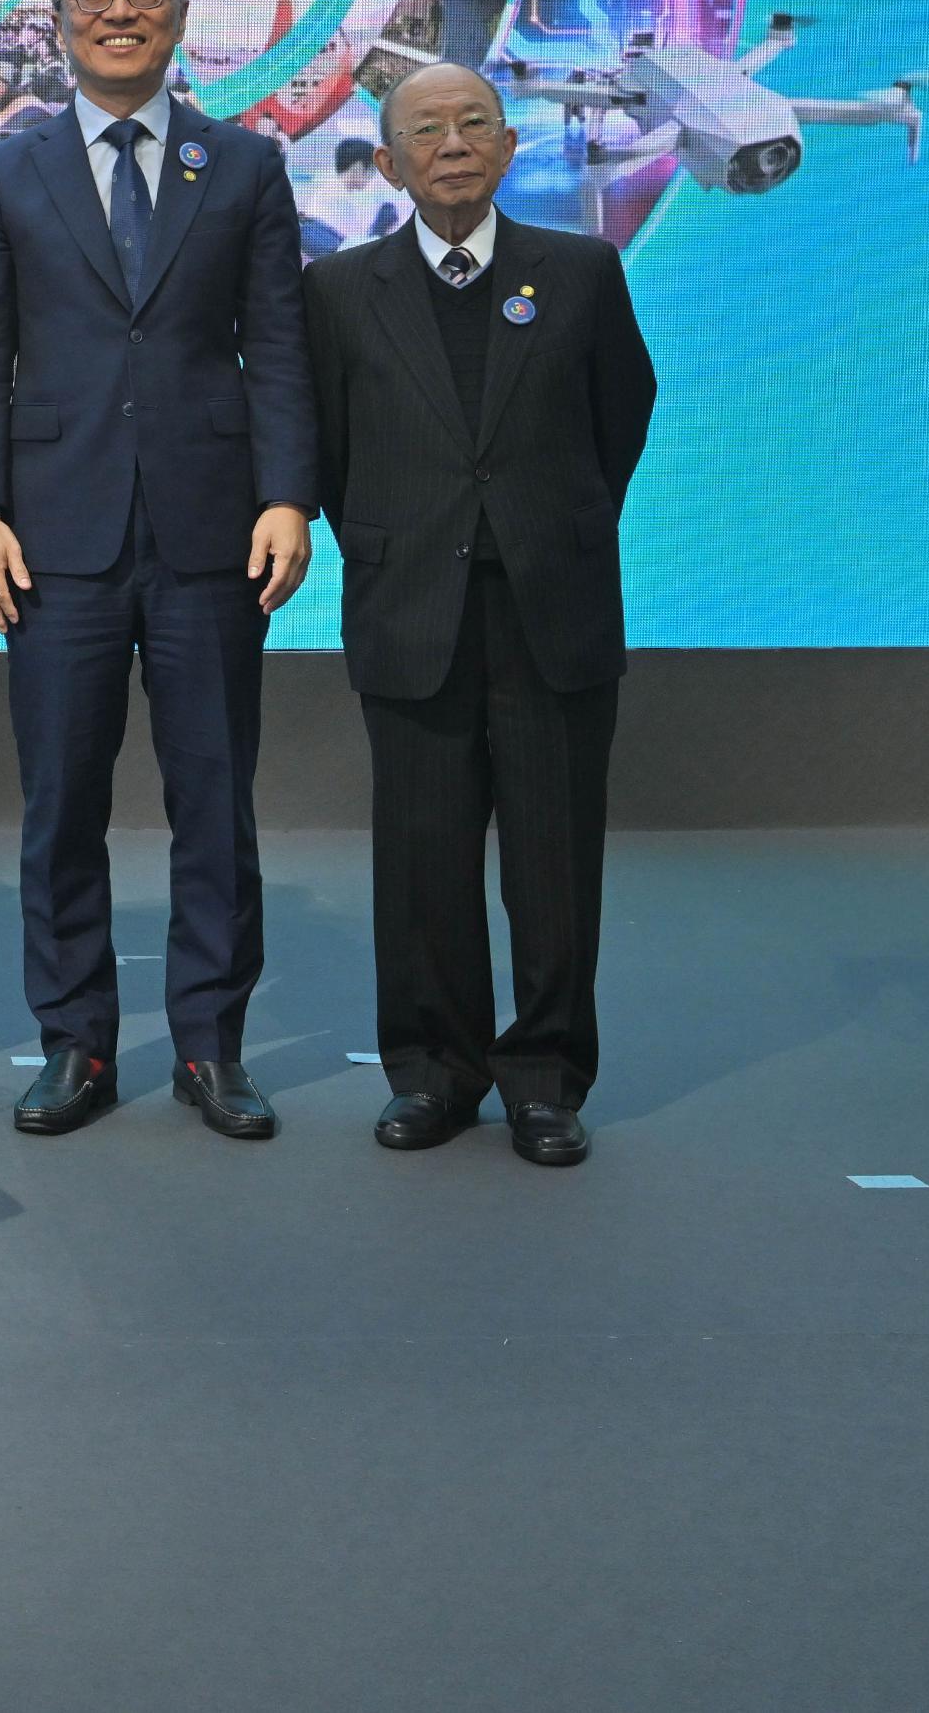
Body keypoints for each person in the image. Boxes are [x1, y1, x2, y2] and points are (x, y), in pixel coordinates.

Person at [0, 0, 318, 1142]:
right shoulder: (5, 170)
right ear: (55, 17)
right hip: (53, 537)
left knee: (215, 798)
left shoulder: (248, 167)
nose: (120, 9)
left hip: (214, 533)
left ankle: (212, 1047)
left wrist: (286, 496)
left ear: (178, 12)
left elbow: (277, 351)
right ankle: (76, 1044)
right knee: (61, 802)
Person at [303, 62, 654, 1169]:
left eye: (472, 125)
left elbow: (619, 421)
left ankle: (545, 1080)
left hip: (552, 606)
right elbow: (330, 449)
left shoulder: (583, 271)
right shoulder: (339, 289)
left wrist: (548, 522)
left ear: (507, 150)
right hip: (411, 607)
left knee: (553, 859)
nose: (451, 144)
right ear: (392, 164)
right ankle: (434, 1073)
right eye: (425, 131)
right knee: (423, 862)